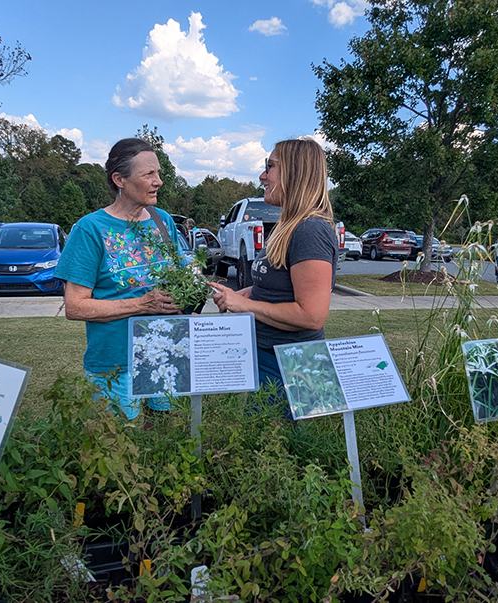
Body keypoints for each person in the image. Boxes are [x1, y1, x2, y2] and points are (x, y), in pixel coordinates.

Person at [56, 138, 186, 420]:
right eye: (149, 174)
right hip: (115, 364)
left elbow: (181, 277)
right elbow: (76, 307)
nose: (159, 181)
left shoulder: (162, 220)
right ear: (119, 179)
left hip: (164, 355)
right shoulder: (90, 229)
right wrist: (142, 304)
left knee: (163, 441)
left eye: (159, 173)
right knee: (119, 449)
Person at [208, 138, 338, 406]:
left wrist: (244, 304)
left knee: (279, 446)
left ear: (295, 172)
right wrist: (245, 293)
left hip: (294, 366)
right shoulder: (287, 226)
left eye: (271, 167)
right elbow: (277, 288)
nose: (262, 176)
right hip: (269, 355)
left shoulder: (310, 230)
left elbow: (312, 315)